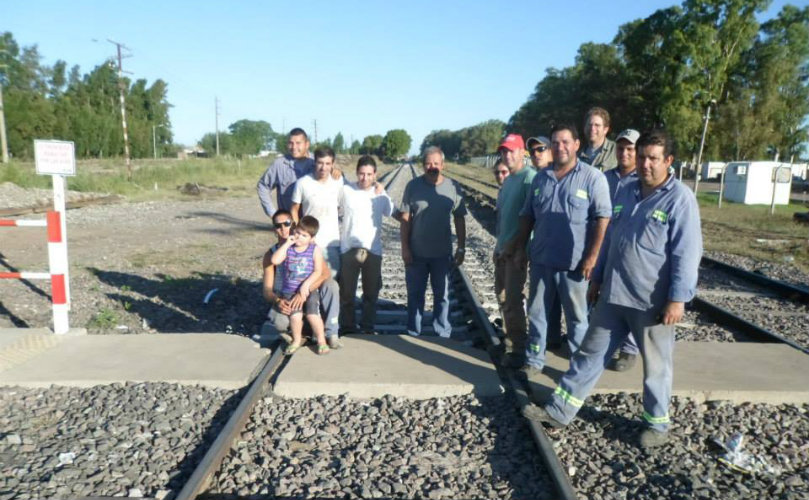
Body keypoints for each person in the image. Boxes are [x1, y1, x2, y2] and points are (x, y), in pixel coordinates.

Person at [523, 129, 703, 449]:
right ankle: (559, 410)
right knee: (589, 355)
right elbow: (610, 240)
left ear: (669, 161)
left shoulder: (680, 199)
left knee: (656, 366)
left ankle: (657, 425)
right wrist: (598, 277)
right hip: (614, 295)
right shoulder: (627, 191)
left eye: (653, 158)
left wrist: (677, 299)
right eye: (642, 156)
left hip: (651, 302)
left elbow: (687, 254)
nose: (645, 164)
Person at [514, 123, 611, 379]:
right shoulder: (541, 178)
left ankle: (578, 370)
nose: (560, 147)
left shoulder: (592, 178)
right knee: (537, 313)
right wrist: (521, 250)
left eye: (566, 142)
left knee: (577, 319)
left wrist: (592, 256)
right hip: (542, 260)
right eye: (555, 143)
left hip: (575, 264)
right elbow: (527, 216)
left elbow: (603, 218)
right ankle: (534, 361)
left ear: (577, 145)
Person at [399, 146, 467, 338]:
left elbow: (460, 218)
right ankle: (413, 332)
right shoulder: (413, 186)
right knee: (415, 296)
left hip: (442, 254)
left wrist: (461, 248)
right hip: (417, 253)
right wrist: (405, 248)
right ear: (423, 166)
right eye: (428, 163)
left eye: (436, 163)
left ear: (443, 165)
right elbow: (405, 219)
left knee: (442, 297)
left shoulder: (453, 187)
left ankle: (442, 334)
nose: (432, 167)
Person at [262, 210, 339, 348]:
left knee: (331, 285)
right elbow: (267, 290)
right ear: (274, 229)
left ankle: (330, 332)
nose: (283, 228)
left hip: (307, 293)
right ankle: (298, 331)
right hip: (286, 295)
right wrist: (278, 301)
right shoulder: (271, 254)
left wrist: (304, 291)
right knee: (278, 324)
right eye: (278, 225)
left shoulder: (309, 248)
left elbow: (324, 274)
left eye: (286, 224)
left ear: (293, 225)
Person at [338, 155, 394, 334]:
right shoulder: (346, 191)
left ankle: (367, 327)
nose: (365, 178)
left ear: (375, 174)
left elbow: (392, 211)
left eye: (369, 174)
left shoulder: (380, 195)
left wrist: (383, 190)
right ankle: (348, 327)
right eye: (362, 174)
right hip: (349, 249)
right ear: (357, 173)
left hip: (373, 251)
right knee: (347, 294)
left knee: (371, 295)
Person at [492, 134, 535, 368]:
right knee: (502, 296)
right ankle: (510, 341)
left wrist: (519, 249)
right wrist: (499, 246)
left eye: (511, 151)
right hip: (502, 249)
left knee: (513, 299)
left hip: (516, 251)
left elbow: (530, 219)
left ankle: (518, 348)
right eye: (503, 151)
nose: (506, 155)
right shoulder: (508, 180)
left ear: (521, 152)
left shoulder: (530, 178)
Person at [604, 128, 641, 371]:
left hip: (631, 250)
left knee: (630, 300)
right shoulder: (606, 178)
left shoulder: (642, 180)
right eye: (620, 148)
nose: (624, 153)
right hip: (606, 245)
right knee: (604, 298)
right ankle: (607, 344)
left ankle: (629, 349)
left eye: (629, 149)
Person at [525, 136, 563, 351]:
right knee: (540, 307)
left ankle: (579, 362)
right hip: (541, 253)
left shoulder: (568, 175)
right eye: (532, 151)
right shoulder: (538, 179)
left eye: (541, 149)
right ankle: (545, 346)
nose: (536, 154)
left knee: (576, 312)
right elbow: (528, 216)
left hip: (570, 255)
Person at [290, 147, 344, 278]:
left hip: (331, 243)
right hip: (308, 244)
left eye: (327, 164)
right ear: (314, 162)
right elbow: (294, 209)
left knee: (331, 282)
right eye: (320, 163)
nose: (323, 167)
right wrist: (300, 235)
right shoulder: (302, 183)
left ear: (333, 164)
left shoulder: (338, 181)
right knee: (308, 283)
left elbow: (340, 207)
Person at [579, 107, 617, 172]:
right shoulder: (577, 154)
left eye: (597, 125)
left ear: (605, 129)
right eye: (589, 125)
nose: (592, 128)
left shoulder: (615, 150)